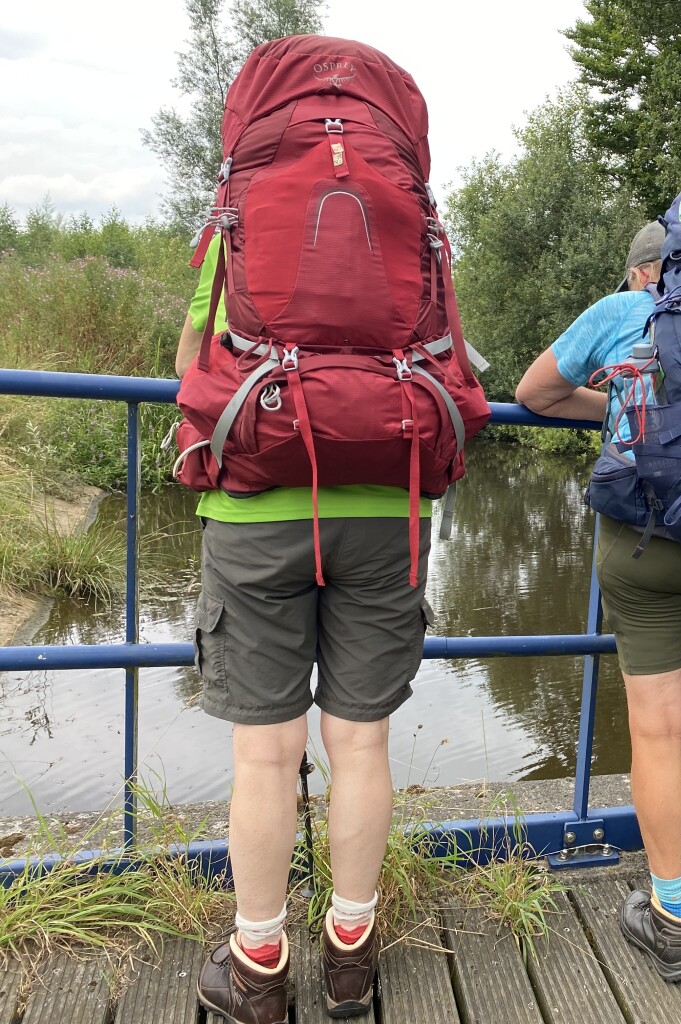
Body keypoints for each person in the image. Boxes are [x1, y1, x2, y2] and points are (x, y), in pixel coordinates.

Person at [516, 222, 681, 981]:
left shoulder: (623, 310)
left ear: (645, 272)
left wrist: (616, 410)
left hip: (644, 538)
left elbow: (533, 393)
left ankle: (671, 912)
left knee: (656, 728)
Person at [177, 233, 432, 1021]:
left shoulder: (243, 223)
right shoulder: (409, 226)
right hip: (391, 503)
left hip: (258, 506)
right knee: (360, 742)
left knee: (265, 751)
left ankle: (257, 968)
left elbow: (193, 365)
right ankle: (349, 959)